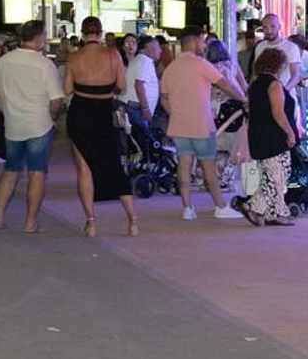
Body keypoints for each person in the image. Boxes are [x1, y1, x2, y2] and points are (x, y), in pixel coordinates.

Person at [160, 27, 246, 221]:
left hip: (179, 126)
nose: (205, 45)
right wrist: (243, 99)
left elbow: (164, 98)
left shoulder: (170, 68)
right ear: (194, 41)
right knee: (209, 166)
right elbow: (226, 84)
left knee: (184, 165)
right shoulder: (201, 64)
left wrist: (175, 113)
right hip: (201, 125)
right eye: (203, 40)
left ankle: (187, 208)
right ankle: (220, 206)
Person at [63, 16, 138, 237]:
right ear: (100, 32)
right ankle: (133, 221)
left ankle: (91, 222)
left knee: (84, 168)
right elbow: (122, 87)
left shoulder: (74, 57)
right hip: (104, 112)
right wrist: (107, 91)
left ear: (83, 34)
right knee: (114, 164)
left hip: (80, 114)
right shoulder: (112, 54)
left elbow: (67, 89)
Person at [0, 20, 64, 232]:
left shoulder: (3, 62)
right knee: (37, 172)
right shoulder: (45, 65)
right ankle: (30, 221)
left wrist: (6, 111)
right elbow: (56, 100)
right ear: (39, 38)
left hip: (13, 124)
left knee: (10, 170)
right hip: (39, 124)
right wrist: (53, 116)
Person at [242, 48, 298, 226]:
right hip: (273, 136)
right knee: (277, 176)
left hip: (258, 134)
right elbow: (278, 112)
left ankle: (268, 210)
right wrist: (290, 132)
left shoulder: (256, 84)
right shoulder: (274, 85)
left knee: (272, 176)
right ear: (279, 65)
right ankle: (257, 207)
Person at [127, 35, 162, 136]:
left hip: (134, 109)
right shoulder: (145, 61)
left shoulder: (139, 60)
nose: (160, 50)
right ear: (149, 46)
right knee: (143, 141)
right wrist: (146, 109)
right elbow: (139, 85)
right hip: (137, 110)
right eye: (158, 46)